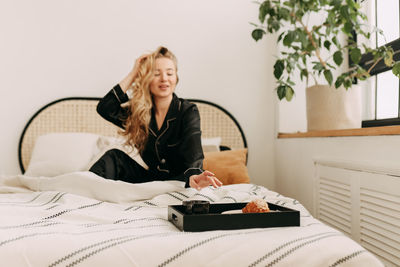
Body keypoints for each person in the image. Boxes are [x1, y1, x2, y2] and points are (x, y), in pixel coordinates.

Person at [89, 46, 222, 190]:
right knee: (113, 157)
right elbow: (105, 107)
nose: (164, 78)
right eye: (156, 73)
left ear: (176, 78)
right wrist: (134, 73)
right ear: (146, 78)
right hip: (149, 182)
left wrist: (194, 174)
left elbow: (194, 150)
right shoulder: (139, 113)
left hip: (180, 182)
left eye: (170, 73)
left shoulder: (187, 110)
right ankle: (83, 195)